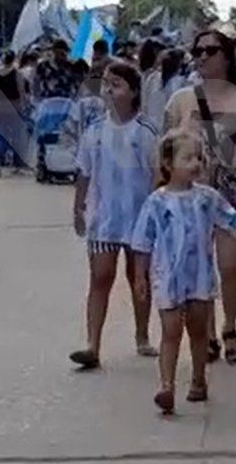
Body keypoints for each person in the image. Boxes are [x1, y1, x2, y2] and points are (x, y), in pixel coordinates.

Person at [130, 129, 236, 414]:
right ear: (168, 164)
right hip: (168, 279)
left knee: (197, 331)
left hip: (200, 280)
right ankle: (166, 386)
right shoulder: (156, 202)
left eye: (199, 157)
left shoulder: (208, 198)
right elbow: (142, 243)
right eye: (188, 158)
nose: (196, 163)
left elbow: (235, 221)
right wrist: (139, 276)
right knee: (170, 332)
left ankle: (198, 380)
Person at [164, 29, 236, 366]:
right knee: (200, 263)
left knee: (229, 264)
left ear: (226, 55)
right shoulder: (180, 100)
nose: (202, 56)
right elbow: (166, 151)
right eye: (197, 50)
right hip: (191, 192)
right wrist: (158, 190)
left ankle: (230, 326)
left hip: (234, 188)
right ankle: (207, 332)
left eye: (210, 50)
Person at [68, 61, 160, 370]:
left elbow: (158, 174)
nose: (109, 90)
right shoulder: (95, 130)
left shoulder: (147, 131)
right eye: (106, 84)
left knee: (139, 277)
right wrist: (78, 208)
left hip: (140, 218)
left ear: (133, 92)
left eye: (116, 85)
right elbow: (84, 172)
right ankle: (92, 343)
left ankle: (142, 335)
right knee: (100, 277)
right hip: (104, 219)